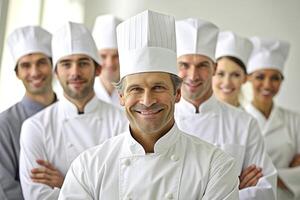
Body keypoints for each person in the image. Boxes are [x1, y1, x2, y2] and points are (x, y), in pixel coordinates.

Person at [58, 10, 239, 200]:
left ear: (177, 93)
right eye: (135, 89)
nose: (147, 101)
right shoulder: (88, 167)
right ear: (121, 96)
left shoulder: (215, 165)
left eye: (158, 87)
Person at [19, 22, 128, 200]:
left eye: (83, 63)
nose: (75, 72)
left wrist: (66, 182)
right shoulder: (35, 127)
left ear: (98, 69)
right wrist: (96, 189)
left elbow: (128, 188)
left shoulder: (123, 121)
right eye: (66, 64)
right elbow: (37, 196)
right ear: (56, 72)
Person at [175, 18, 277, 199]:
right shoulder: (159, 120)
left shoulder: (244, 124)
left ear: (214, 68)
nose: (192, 75)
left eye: (202, 65)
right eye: (184, 65)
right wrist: (231, 190)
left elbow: (266, 189)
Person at [0, 26, 56, 200]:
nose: (35, 72)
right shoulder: (4, 124)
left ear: (53, 66)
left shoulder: (75, 115)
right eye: (25, 65)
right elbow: (4, 188)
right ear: (17, 73)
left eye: (41, 62)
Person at [245, 37, 300, 200]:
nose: (268, 85)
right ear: (248, 78)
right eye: (260, 77)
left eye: (275, 78)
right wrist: (287, 174)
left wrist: (257, 176)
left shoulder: (295, 120)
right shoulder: (237, 119)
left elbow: (247, 174)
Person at [213, 31, 253, 108]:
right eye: (220, 74)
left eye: (235, 75)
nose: (227, 82)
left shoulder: (249, 119)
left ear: (245, 78)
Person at [92, 15, 122, 107]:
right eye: (103, 56)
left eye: (116, 56)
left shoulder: (134, 93)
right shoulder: (84, 94)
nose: (110, 64)